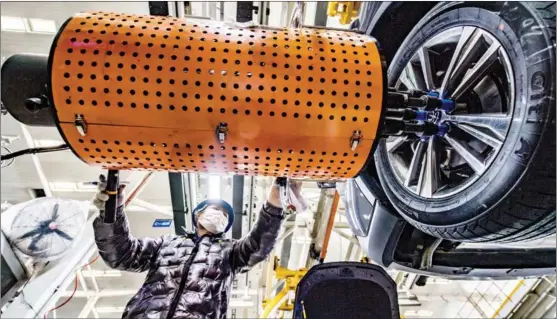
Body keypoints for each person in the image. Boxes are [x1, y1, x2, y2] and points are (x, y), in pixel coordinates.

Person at [93, 177, 299, 319]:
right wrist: (112, 212)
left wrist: (274, 206)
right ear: (198, 215)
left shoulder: (230, 252)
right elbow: (121, 254)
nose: (219, 214)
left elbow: (259, 245)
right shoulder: (166, 244)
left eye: (224, 216)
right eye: (214, 209)